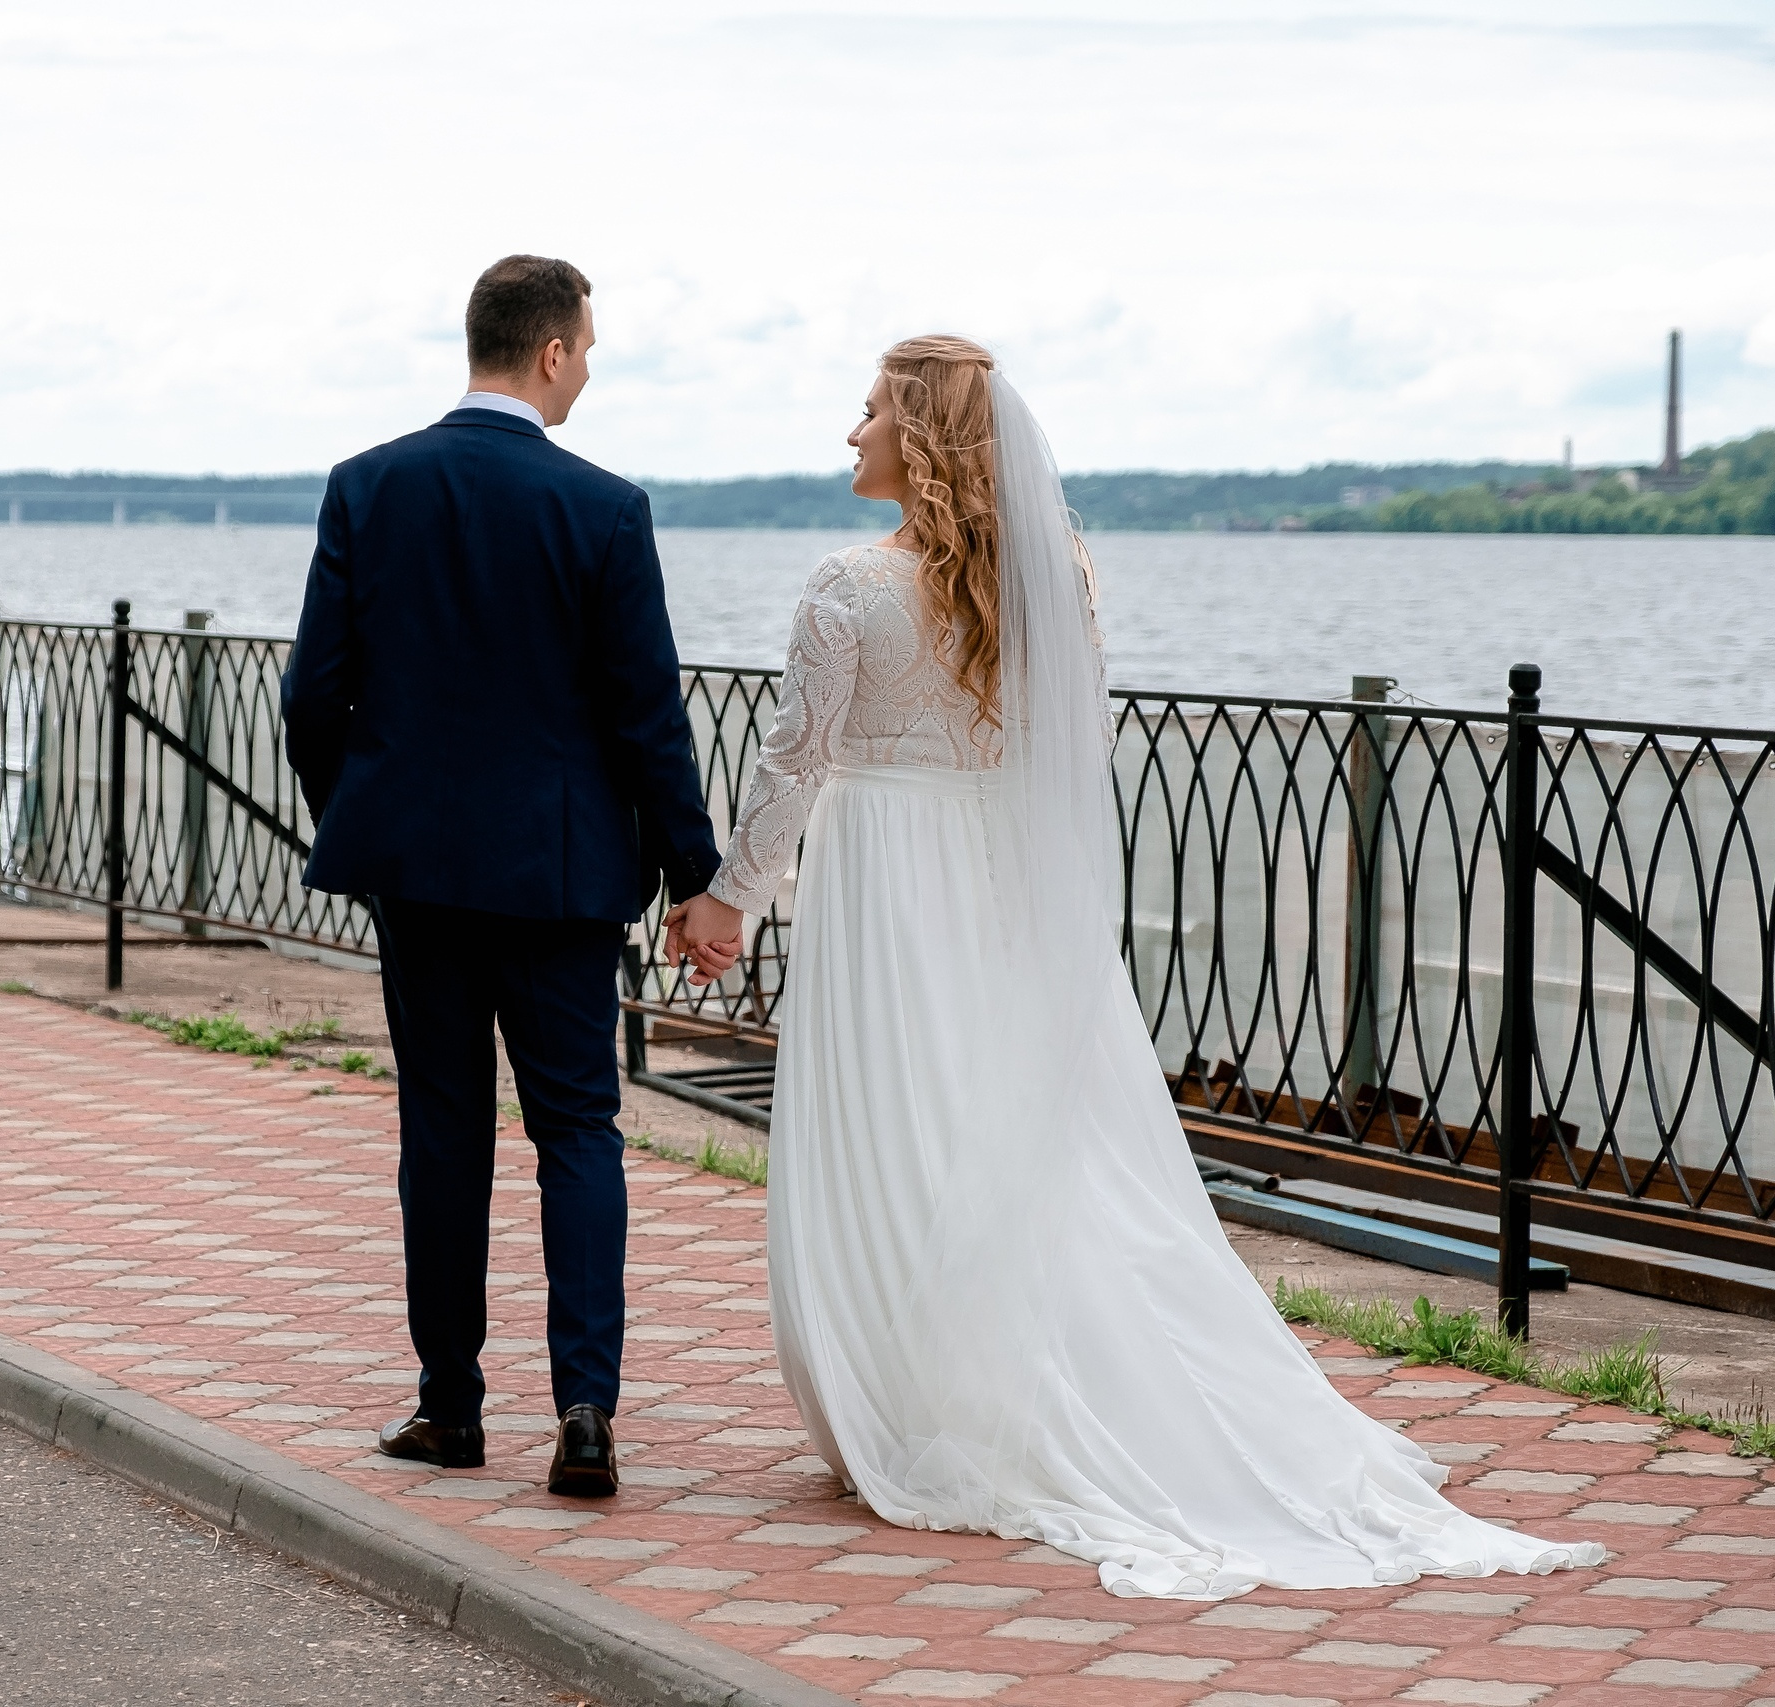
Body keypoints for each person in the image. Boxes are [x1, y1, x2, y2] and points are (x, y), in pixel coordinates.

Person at [660, 337, 1606, 1598]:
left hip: (883, 882)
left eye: (874, 410)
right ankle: (968, 1385)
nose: (851, 434)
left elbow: (792, 763)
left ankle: (906, 1399)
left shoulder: (844, 586)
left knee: (890, 1127)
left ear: (925, 442)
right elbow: (1055, 767)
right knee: (992, 1137)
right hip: (994, 889)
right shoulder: (1054, 584)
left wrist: (727, 900)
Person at [280, 255, 728, 1498]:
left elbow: (312, 699)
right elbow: (650, 720)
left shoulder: (368, 486)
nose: (587, 367)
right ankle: (585, 1415)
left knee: (443, 1133)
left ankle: (450, 1409)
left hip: (417, 876)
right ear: (547, 353)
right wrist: (696, 875)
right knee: (577, 1132)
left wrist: (371, 825)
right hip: (566, 878)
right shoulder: (605, 507)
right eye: (586, 347)